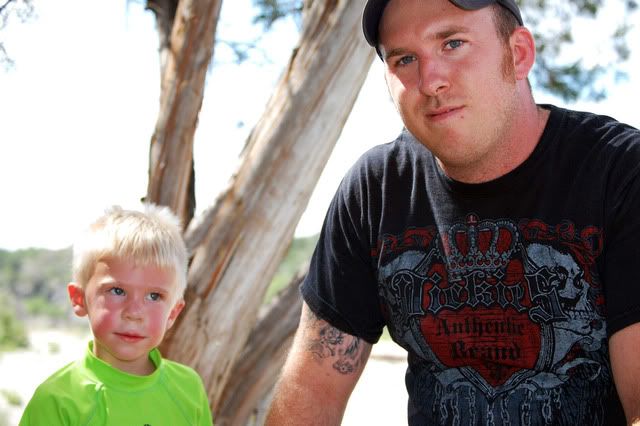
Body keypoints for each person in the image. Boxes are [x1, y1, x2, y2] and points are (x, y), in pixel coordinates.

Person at [266, 0, 640, 424]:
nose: (430, 81)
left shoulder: (619, 172)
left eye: (453, 43)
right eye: (404, 59)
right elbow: (312, 391)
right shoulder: (377, 190)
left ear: (518, 54)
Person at [20, 204, 214, 425]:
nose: (134, 313)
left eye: (154, 296)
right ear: (79, 299)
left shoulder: (189, 388)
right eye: (117, 291)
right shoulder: (57, 401)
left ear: (173, 313)